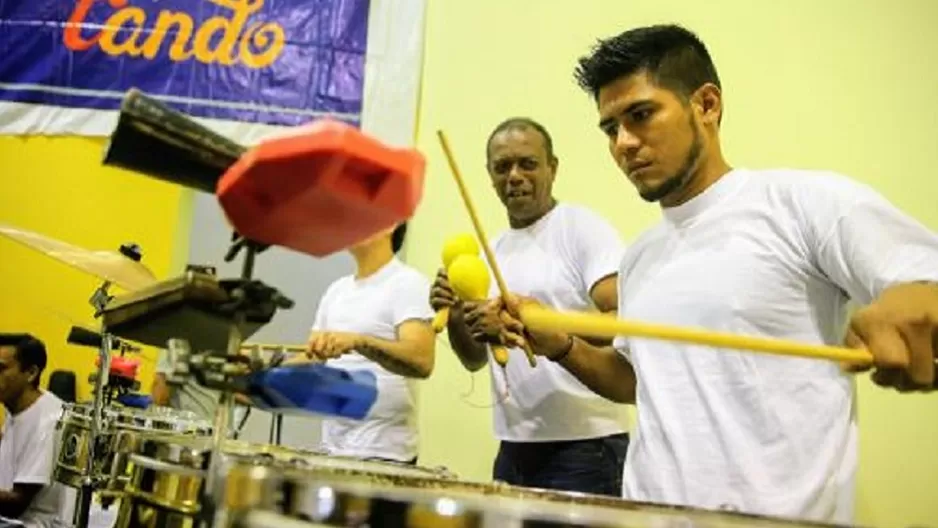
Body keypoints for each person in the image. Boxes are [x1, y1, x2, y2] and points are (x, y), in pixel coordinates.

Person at [487, 23, 938, 523]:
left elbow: (921, 280)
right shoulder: (639, 257)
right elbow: (638, 381)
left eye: (640, 115)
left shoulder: (804, 204)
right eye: (611, 128)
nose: (623, 143)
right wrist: (562, 347)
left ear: (706, 105)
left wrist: (916, 296)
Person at [429, 117, 631, 497]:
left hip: (588, 447)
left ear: (552, 168)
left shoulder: (581, 228)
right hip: (513, 447)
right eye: (502, 167)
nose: (515, 176)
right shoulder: (492, 251)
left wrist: (536, 322)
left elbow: (623, 322)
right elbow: (474, 358)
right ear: (489, 176)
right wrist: (456, 313)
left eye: (528, 163)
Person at [296, 222, 435, 464]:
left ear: (392, 223)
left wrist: (359, 341)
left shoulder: (409, 284)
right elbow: (313, 358)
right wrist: (257, 379)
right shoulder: (336, 291)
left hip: (384, 453)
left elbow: (421, 360)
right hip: (333, 449)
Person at [0, 333, 68, 527]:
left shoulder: (49, 421)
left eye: (1, 368)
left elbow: (16, 504)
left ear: (31, 373)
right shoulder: (19, 404)